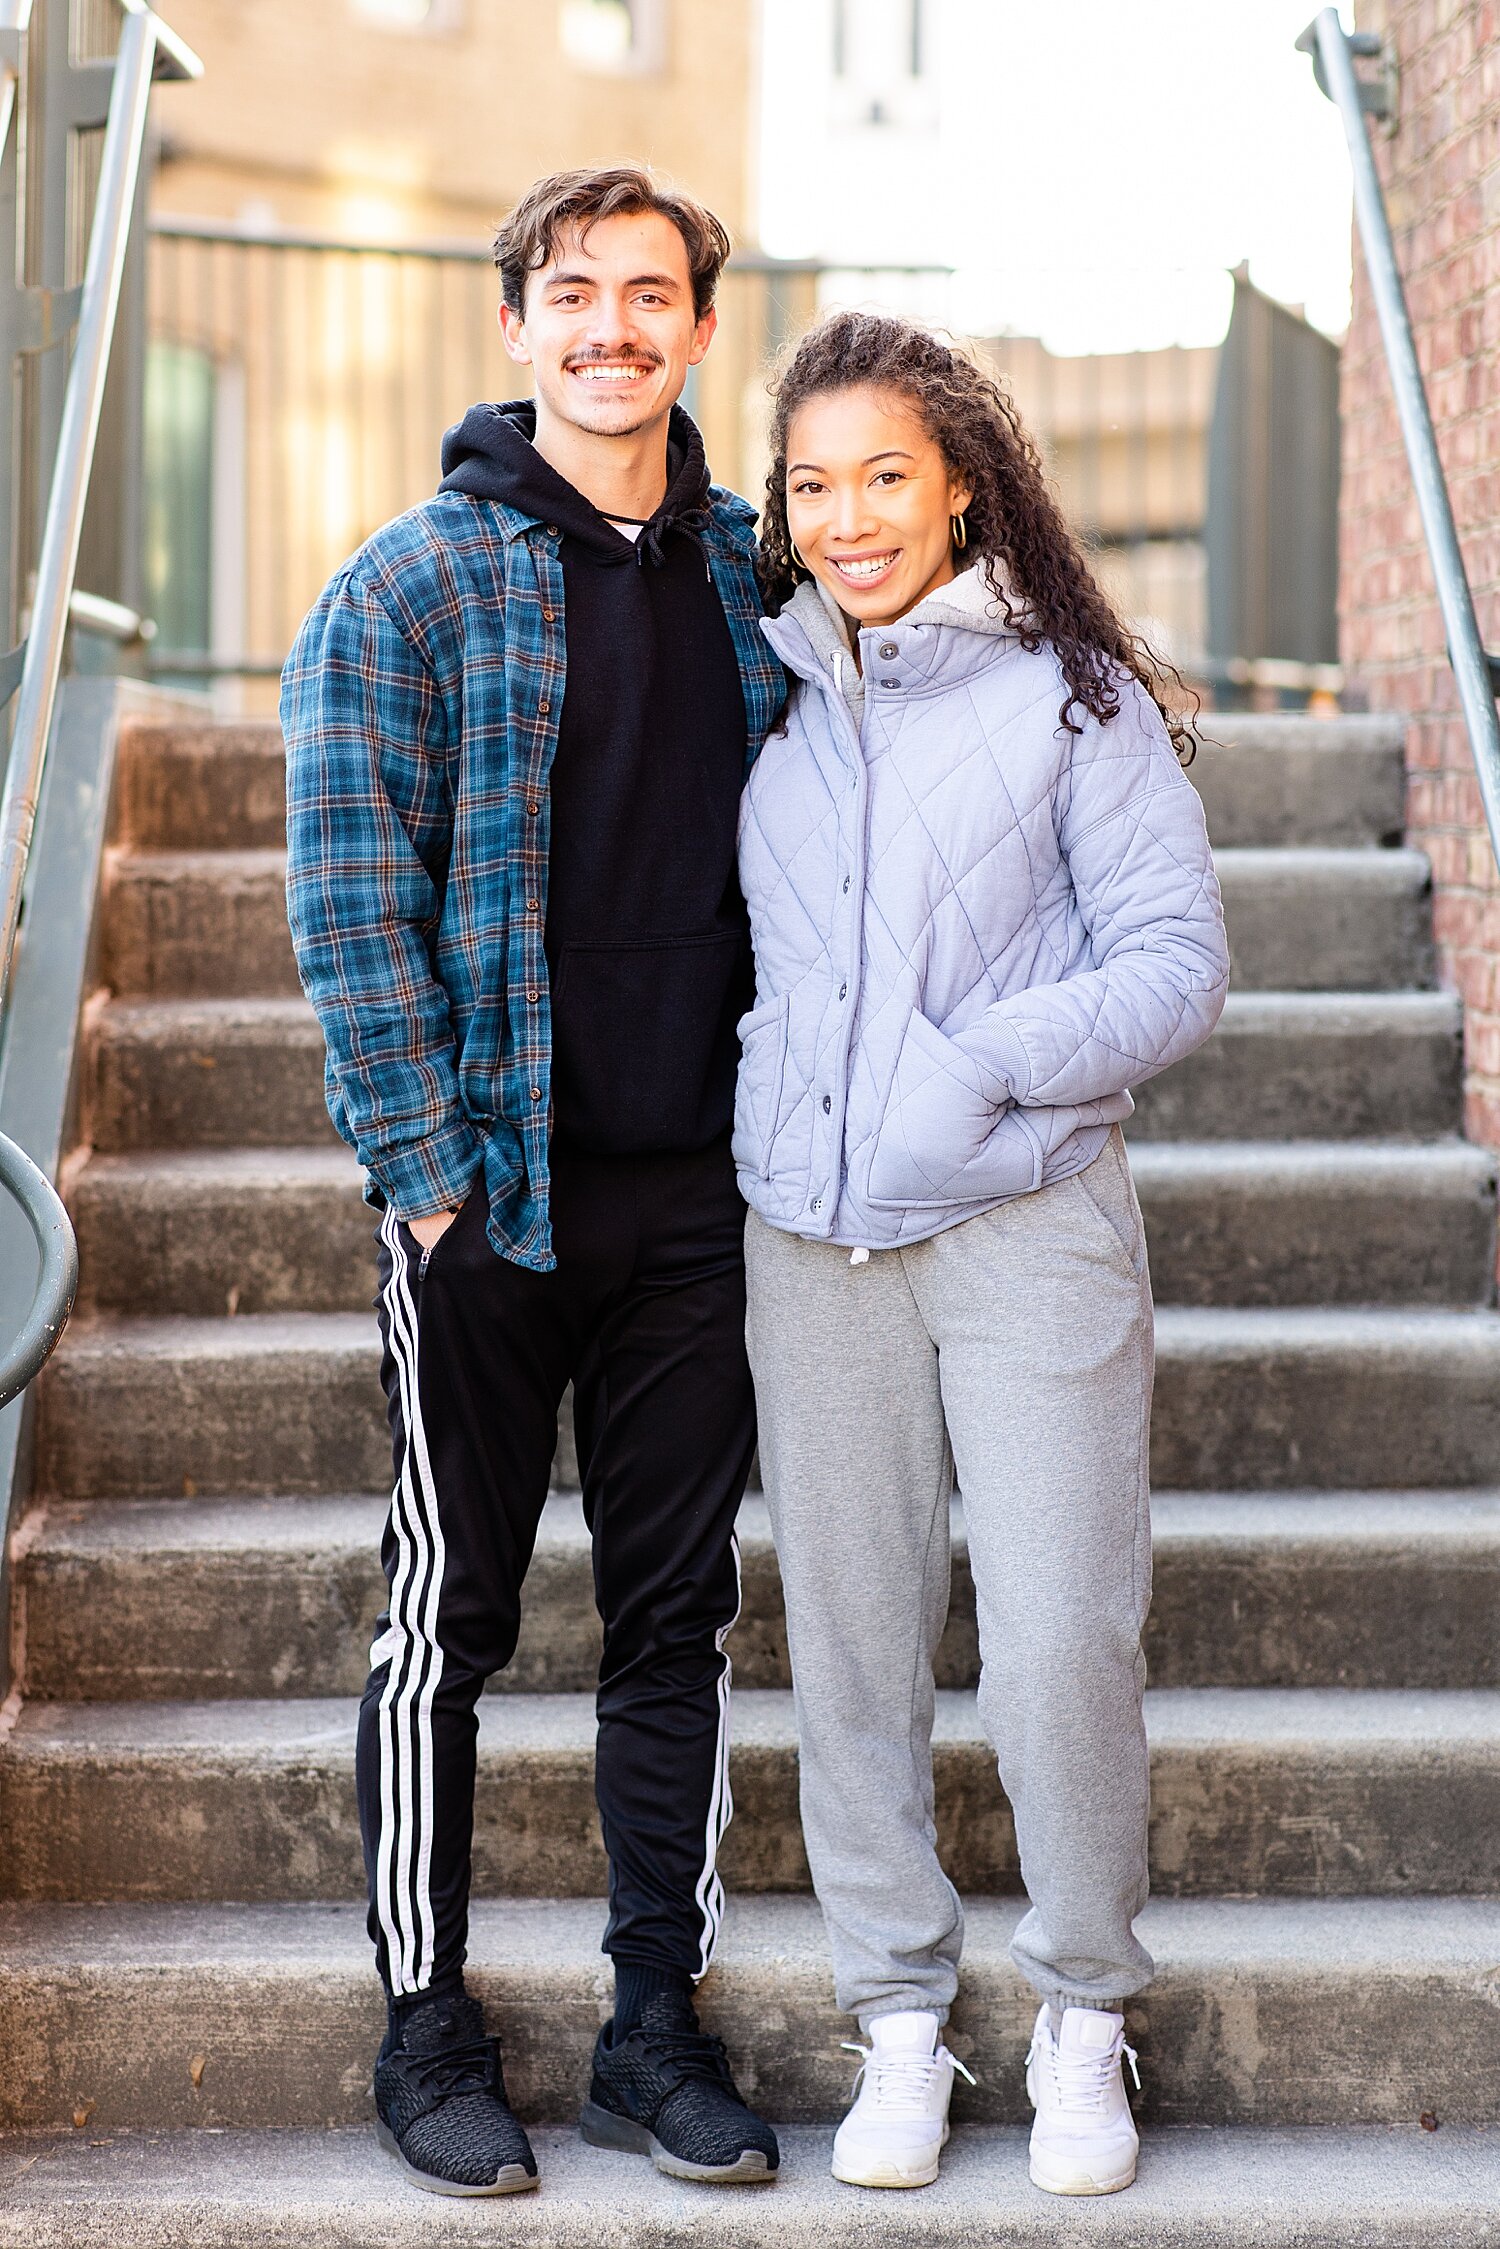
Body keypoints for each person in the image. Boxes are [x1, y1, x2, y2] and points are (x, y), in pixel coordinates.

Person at [282, 166, 786, 2199]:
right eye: (572, 294)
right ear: (516, 326)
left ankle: (651, 2028)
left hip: (702, 1198)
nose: (611, 328)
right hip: (486, 1198)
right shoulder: (408, 586)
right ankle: (426, 2031)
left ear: (696, 329)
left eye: (649, 295)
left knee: (676, 1625)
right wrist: (425, 1183)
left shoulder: (770, 581)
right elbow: (347, 904)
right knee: (450, 1622)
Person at [734, 310, 1230, 2197]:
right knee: (852, 1650)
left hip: (1029, 1230)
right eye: (814, 483)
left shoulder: (1074, 697)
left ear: (960, 485)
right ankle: (900, 2024)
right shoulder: (768, 691)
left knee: (1052, 1643)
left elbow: (1175, 968)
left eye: (885, 476)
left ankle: (1085, 2012)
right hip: (811, 1244)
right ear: (781, 508)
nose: (850, 516)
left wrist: (975, 1068)